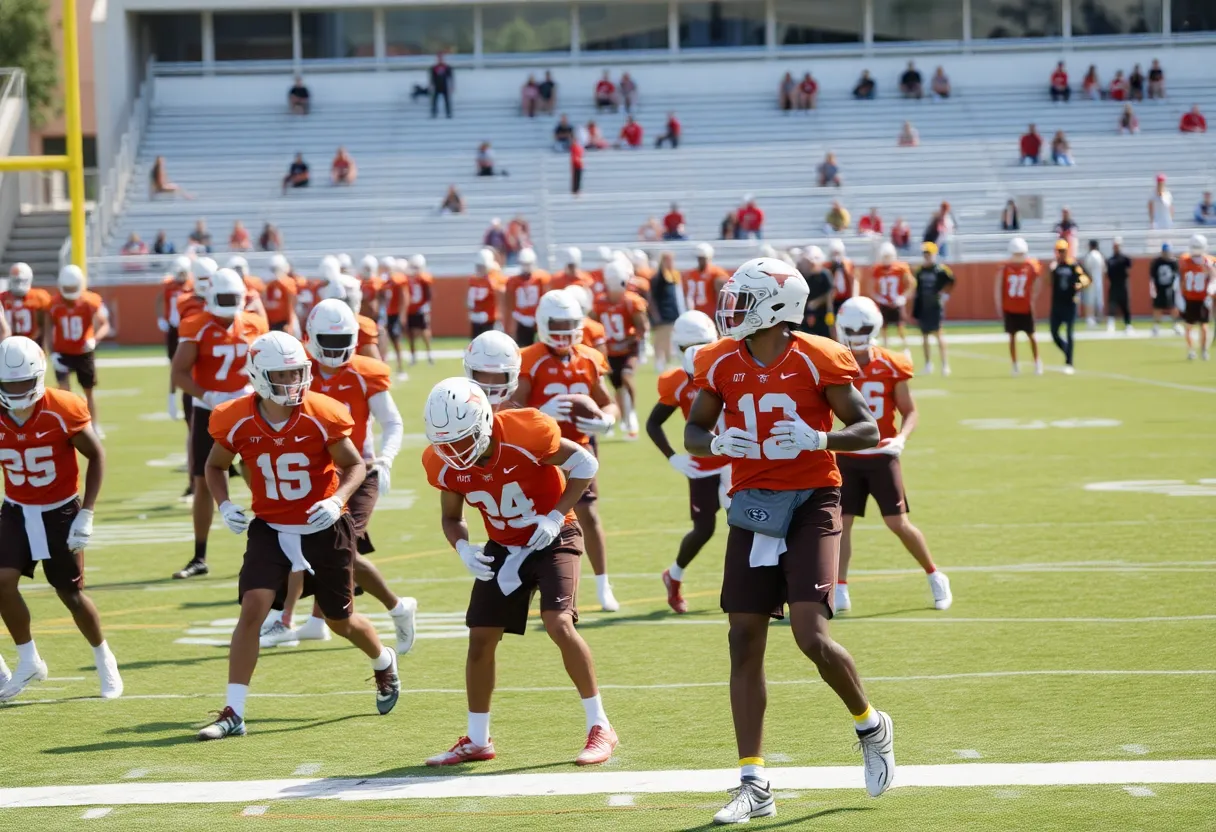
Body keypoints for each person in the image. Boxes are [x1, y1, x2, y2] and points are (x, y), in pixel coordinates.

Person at [684, 257, 892, 824]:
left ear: (778, 307)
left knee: (809, 633)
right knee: (743, 637)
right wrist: (722, 442)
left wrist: (818, 435)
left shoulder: (818, 354)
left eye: (743, 299)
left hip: (812, 500)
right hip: (753, 504)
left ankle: (870, 724)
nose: (731, 310)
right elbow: (695, 431)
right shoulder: (718, 359)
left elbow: (868, 429)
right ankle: (753, 781)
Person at [195, 332, 399, 740]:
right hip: (270, 526)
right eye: (282, 374)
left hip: (324, 527)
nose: (293, 381)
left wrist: (337, 497)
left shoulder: (322, 412)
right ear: (258, 376)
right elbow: (214, 466)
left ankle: (382, 660)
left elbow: (355, 465)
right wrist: (225, 504)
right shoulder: (234, 417)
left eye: (297, 372)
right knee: (253, 607)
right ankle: (234, 710)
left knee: (341, 621)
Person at [421, 376, 617, 767]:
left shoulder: (526, 431)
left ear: (483, 423)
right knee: (480, 639)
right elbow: (450, 516)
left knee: (558, 622)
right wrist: (461, 546)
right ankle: (478, 740)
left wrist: (556, 513)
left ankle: (601, 726)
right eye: (445, 443)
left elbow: (585, 463)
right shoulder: (439, 462)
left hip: (554, 536)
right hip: (503, 545)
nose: (454, 452)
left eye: (461, 440)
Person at [260, 304, 415, 650]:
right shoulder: (296, 368)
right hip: (316, 473)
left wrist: (386, 460)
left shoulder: (364, 372)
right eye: (326, 340)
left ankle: (397, 606)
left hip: (357, 471)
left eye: (341, 340)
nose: (333, 348)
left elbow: (392, 421)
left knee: (334, 551)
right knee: (310, 545)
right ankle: (311, 620)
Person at [0, 336, 120, 703]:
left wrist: (87, 512)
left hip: (61, 510)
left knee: (70, 594)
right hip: (16, 509)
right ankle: (28, 660)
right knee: (1, 583)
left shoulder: (62, 407)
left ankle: (105, 659)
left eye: (23, 382)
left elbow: (96, 456)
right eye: (9, 383)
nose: (17, 390)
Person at [833, 298, 951, 614]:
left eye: (862, 327)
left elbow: (910, 411)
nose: (857, 333)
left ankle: (935, 575)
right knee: (841, 524)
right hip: (848, 454)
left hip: (883, 455)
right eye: (852, 328)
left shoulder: (892, 362)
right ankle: (840, 588)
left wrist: (901, 438)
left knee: (897, 523)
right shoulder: (833, 361)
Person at [514, 291, 621, 612]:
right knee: (532, 520)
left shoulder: (588, 358)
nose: (563, 332)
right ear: (543, 324)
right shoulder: (530, 359)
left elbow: (608, 401)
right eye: (556, 325)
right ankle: (526, 586)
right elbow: (512, 408)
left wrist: (607, 421)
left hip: (580, 450)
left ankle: (603, 584)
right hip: (541, 452)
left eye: (569, 325)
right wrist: (541, 411)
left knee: (587, 514)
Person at [169, 267, 270, 579]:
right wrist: (207, 395)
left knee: (260, 475)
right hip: (209, 411)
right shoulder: (195, 325)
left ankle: (276, 542)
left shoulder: (255, 323)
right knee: (202, 481)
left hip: (248, 409)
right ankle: (200, 555)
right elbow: (179, 372)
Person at [645, 311, 727, 614]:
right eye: (688, 347)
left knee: (746, 524)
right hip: (703, 463)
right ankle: (674, 575)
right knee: (704, 529)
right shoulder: (677, 381)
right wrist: (673, 457)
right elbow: (654, 423)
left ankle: (750, 588)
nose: (697, 353)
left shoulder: (731, 369)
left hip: (737, 461)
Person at [592, 260, 649, 440]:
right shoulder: (599, 303)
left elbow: (642, 327)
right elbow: (592, 326)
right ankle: (623, 418)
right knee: (616, 386)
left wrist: (629, 341)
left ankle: (631, 415)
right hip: (609, 352)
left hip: (629, 349)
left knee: (626, 376)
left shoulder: (632, 302)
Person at [49, 266, 110, 432]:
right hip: (63, 352)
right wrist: (52, 353)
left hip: (84, 352)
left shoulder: (91, 301)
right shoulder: (54, 303)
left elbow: (105, 325)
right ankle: (65, 426)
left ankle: (95, 425)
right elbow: (49, 329)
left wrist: (94, 340)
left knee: (89, 392)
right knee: (64, 393)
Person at [997, 238, 1043, 376]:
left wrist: (1033, 296)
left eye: (1020, 254)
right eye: (1016, 254)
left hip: (1025, 307)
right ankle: (1015, 364)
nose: (1018, 257)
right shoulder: (1005, 267)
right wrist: (1000, 305)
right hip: (1010, 307)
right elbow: (999, 286)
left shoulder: (1031, 265)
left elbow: (1038, 281)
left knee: (1032, 336)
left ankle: (1037, 362)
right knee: (1012, 337)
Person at [912, 242, 955, 375]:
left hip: (935, 305)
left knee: (938, 334)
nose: (927, 256)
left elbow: (951, 281)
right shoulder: (920, 270)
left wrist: (944, 293)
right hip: (924, 305)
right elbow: (917, 289)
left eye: (929, 253)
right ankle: (928, 364)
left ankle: (945, 364)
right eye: (925, 253)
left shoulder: (941, 269)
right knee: (924, 336)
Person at [1047, 239, 1090, 374]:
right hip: (1057, 304)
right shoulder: (1055, 267)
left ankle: (1069, 362)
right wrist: (1050, 270)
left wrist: (1080, 285)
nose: (1061, 253)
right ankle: (1066, 349)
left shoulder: (1073, 265)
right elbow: (1048, 282)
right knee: (1054, 333)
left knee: (1069, 332)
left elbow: (1085, 277)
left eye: (1063, 251)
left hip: (1070, 303)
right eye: (1059, 251)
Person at [867, 242, 914, 351]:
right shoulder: (877, 268)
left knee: (900, 326)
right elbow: (870, 287)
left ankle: (906, 348)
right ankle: (886, 349)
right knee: (883, 327)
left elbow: (911, 284)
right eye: (884, 256)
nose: (886, 259)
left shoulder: (901, 267)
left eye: (888, 256)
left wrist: (902, 297)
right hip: (884, 302)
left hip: (896, 301)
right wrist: (878, 298)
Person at [504, 248, 550, 347]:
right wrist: (518, 316)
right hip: (521, 319)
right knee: (523, 348)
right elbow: (509, 303)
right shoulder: (513, 280)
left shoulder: (541, 278)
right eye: (524, 263)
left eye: (528, 263)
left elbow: (545, 299)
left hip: (538, 318)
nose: (526, 267)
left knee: (543, 347)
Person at [1178, 234, 1214, 361]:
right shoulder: (1184, 260)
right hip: (1189, 298)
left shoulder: (1210, 262)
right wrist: (1180, 296)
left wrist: (1210, 291)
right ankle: (1191, 350)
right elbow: (1181, 279)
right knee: (1189, 326)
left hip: (1203, 298)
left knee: (1204, 326)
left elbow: (1214, 279)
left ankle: (1203, 349)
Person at [649, 251, 685, 372]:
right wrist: (655, 314)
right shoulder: (658, 277)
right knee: (661, 338)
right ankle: (659, 360)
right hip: (662, 313)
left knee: (669, 338)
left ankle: (667, 360)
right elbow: (652, 298)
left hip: (672, 312)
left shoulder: (673, 275)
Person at [3, 263, 51, 345]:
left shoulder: (40, 298)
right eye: (16, 281)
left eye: (22, 280)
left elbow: (47, 326)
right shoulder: (2, 298)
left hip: (33, 343)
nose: (19, 284)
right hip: (8, 345)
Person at [683, 243, 728, 318]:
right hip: (695, 313)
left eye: (702, 258)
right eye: (699, 258)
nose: (700, 261)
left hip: (711, 313)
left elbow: (724, 294)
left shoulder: (716, 273)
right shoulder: (690, 274)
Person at [404, 254, 434, 365]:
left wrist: (426, 306)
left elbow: (428, 293)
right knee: (410, 333)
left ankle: (429, 354)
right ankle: (413, 356)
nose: (414, 269)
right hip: (410, 309)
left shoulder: (424, 278)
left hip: (421, 308)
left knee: (424, 331)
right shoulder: (407, 278)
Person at [1148, 243, 1183, 337]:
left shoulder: (1174, 262)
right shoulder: (1156, 262)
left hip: (1170, 287)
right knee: (1158, 307)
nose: (1166, 254)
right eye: (1165, 252)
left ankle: (1176, 325)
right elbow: (1152, 276)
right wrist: (1153, 288)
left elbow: (1177, 275)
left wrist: (1175, 286)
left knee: (1173, 307)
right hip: (1159, 287)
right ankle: (1156, 326)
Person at [798, 246, 834, 338]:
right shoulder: (802, 275)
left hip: (821, 314)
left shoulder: (824, 274)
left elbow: (830, 293)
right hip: (805, 313)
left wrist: (817, 302)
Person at [260, 254, 298, 335]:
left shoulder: (287, 283)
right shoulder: (265, 283)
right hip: (269, 322)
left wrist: (290, 324)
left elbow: (291, 306)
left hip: (283, 322)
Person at [1104, 238, 1132, 334]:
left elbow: (1129, 268)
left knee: (1125, 306)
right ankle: (1111, 325)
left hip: (1123, 284)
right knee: (1112, 305)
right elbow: (1107, 273)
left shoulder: (1125, 259)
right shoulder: (1110, 260)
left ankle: (1128, 325)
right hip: (1114, 284)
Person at [1080, 239, 1106, 328]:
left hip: (1090, 280)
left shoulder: (1090, 255)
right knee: (1099, 300)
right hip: (1098, 280)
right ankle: (1099, 317)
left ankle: (1090, 318)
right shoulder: (1100, 255)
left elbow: (1086, 268)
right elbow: (1103, 269)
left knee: (1089, 300)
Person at [828, 238, 857, 314]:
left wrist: (853, 297)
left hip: (846, 297)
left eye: (838, 253)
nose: (836, 256)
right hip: (834, 298)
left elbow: (853, 281)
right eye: (834, 253)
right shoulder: (829, 266)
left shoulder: (848, 264)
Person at [430, 53, 454, 118]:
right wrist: (431, 85)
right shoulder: (434, 68)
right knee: (434, 100)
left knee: (447, 100)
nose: (440, 59)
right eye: (439, 58)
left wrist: (451, 86)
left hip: (444, 86)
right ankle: (434, 113)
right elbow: (432, 78)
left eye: (441, 58)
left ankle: (448, 113)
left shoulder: (447, 67)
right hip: (437, 86)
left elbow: (451, 77)